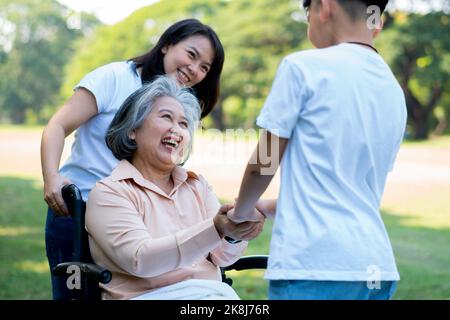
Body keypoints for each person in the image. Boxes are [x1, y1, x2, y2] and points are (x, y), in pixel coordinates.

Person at [227, 0, 407, 300]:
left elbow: (265, 162)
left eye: (306, 13)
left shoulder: (302, 67)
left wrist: (241, 214)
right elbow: (349, 190)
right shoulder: (392, 89)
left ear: (325, 7)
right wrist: (264, 208)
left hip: (313, 266)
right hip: (376, 267)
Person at [40, 18, 225, 300]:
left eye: (205, 67)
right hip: (77, 209)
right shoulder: (115, 78)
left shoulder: (175, 105)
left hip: (138, 214)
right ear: (166, 45)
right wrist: (51, 176)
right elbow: (58, 125)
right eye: (191, 55)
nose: (194, 69)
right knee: (74, 294)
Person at [85, 76, 263, 300]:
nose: (176, 130)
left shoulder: (197, 186)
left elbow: (221, 257)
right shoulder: (110, 192)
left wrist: (235, 233)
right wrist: (216, 229)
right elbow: (141, 259)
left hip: (211, 295)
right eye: (166, 117)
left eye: (183, 124)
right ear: (132, 129)